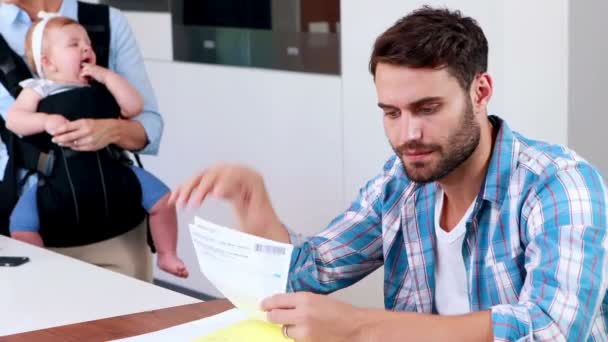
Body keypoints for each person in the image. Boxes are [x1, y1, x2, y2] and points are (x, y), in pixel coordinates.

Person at [171, 6, 608, 341]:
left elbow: (552, 328)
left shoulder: (559, 183)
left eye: (427, 108)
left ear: (481, 91)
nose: (408, 134)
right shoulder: (398, 185)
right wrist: (255, 205)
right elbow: (306, 273)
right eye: (391, 113)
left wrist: (360, 327)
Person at [6, 16, 188, 278]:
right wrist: (45, 121)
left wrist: (106, 75)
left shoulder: (101, 84)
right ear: (47, 63)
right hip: (57, 177)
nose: (85, 48)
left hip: (111, 167)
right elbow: (14, 120)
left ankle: (167, 254)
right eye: (74, 44)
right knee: (21, 226)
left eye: (87, 44)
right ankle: (40, 271)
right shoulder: (39, 88)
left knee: (163, 200)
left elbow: (134, 107)